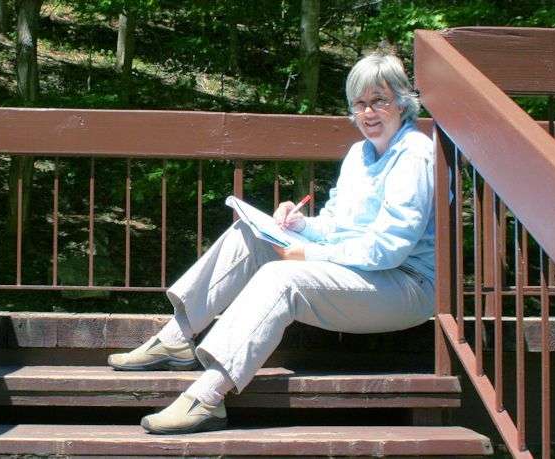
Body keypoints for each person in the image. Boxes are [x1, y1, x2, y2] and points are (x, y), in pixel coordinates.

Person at [107, 50, 436, 435]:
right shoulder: (358, 154)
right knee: (251, 234)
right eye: (360, 103)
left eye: (379, 100)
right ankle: (177, 337)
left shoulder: (415, 155)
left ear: (402, 101)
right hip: (360, 274)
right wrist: (300, 225)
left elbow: (389, 248)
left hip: (405, 284)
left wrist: (308, 253)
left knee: (281, 278)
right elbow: (338, 223)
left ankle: (209, 397)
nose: (368, 113)